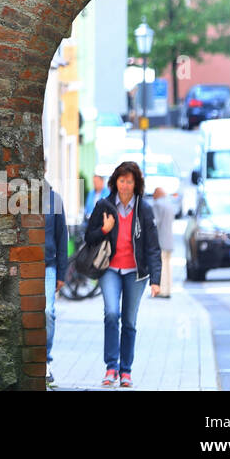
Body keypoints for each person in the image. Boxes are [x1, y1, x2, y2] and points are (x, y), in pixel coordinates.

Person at [84, 161, 161, 387]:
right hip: (110, 270)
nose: (125, 185)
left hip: (136, 274)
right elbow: (89, 237)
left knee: (129, 321)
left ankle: (126, 370)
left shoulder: (144, 210)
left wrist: (156, 280)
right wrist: (104, 230)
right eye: (121, 180)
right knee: (111, 313)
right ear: (115, 182)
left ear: (136, 184)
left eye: (130, 181)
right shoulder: (104, 206)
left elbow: (153, 247)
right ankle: (111, 367)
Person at [42, 181, 67, 386]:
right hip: (23, 265)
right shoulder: (18, 197)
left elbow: (62, 236)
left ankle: (46, 360)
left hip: (48, 265)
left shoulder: (54, 199)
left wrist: (62, 272)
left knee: (47, 312)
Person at [151, 186, 175, 298]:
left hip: (160, 240)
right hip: (169, 240)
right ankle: (168, 289)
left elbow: (155, 223)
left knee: (161, 266)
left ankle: (161, 291)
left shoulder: (157, 205)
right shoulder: (169, 204)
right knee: (168, 266)